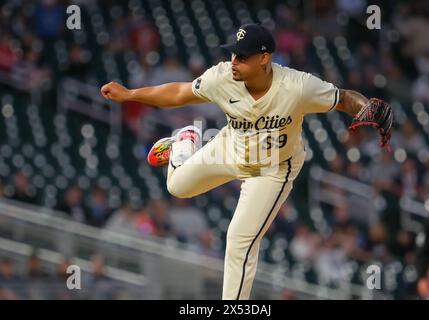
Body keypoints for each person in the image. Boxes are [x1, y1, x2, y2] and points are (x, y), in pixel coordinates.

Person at [101, 23, 392, 300]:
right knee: (177, 187)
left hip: (272, 170)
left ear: (264, 58)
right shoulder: (222, 77)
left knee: (239, 241)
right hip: (231, 147)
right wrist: (131, 95)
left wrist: (365, 106)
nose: (234, 61)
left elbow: (342, 98)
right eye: (232, 53)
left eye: (242, 56)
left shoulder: (297, 86)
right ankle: (185, 141)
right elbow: (180, 92)